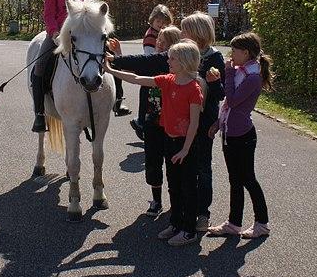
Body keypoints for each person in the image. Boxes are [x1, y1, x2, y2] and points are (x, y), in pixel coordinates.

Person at [107, 40, 205, 246]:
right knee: (174, 186)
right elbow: (136, 78)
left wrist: (185, 150)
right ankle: (175, 223)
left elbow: (194, 124)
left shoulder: (194, 89)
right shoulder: (168, 80)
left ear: (185, 62)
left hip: (185, 146)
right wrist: (110, 69)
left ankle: (189, 231)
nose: (167, 60)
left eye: (172, 58)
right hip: (170, 142)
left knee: (188, 188)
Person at [108, 26, 182, 217]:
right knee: (155, 163)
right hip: (153, 121)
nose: (158, 44)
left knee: (166, 165)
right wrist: (118, 55)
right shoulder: (161, 60)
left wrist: (115, 58)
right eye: (158, 41)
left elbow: (141, 63)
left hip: (170, 124)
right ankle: (159, 201)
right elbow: (135, 69)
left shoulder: (167, 61)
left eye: (162, 41)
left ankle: (168, 203)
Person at [207, 32, 273, 239]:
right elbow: (228, 105)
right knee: (234, 180)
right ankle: (234, 223)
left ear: (245, 53)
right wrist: (218, 123)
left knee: (248, 179)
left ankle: (262, 223)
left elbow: (233, 100)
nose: (231, 54)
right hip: (230, 133)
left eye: (234, 50)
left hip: (243, 135)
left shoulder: (252, 77)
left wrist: (226, 73)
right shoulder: (240, 71)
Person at [31, 0, 92, 132]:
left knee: (107, 55)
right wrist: (54, 33)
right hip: (57, 34)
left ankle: (118, 100)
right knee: (39, 68)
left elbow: (90, 12)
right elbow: (48, 14)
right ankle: (39, 114)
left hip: (81, 34)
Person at [180, 12, 226, 232]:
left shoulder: (214, 58)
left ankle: (202, 213)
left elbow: (220, 94)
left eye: (185, 30)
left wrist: (214, 83)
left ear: (197, 34)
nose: (181, 34)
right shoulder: (184, 54)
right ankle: (184, 206)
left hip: (204, 122)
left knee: (202, 167)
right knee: (183, 165)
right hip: (181, 121)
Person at [129, 4, 175, 139]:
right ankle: (142, 122)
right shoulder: (150, 36)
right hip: (151, 72)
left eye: (164, 22)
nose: (161, 24)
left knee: (151, 100)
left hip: (157, 72)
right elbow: (150, 57)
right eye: (158, 21)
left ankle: (143, 121)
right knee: (147, 99)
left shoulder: (160, 34)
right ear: (152, 20)